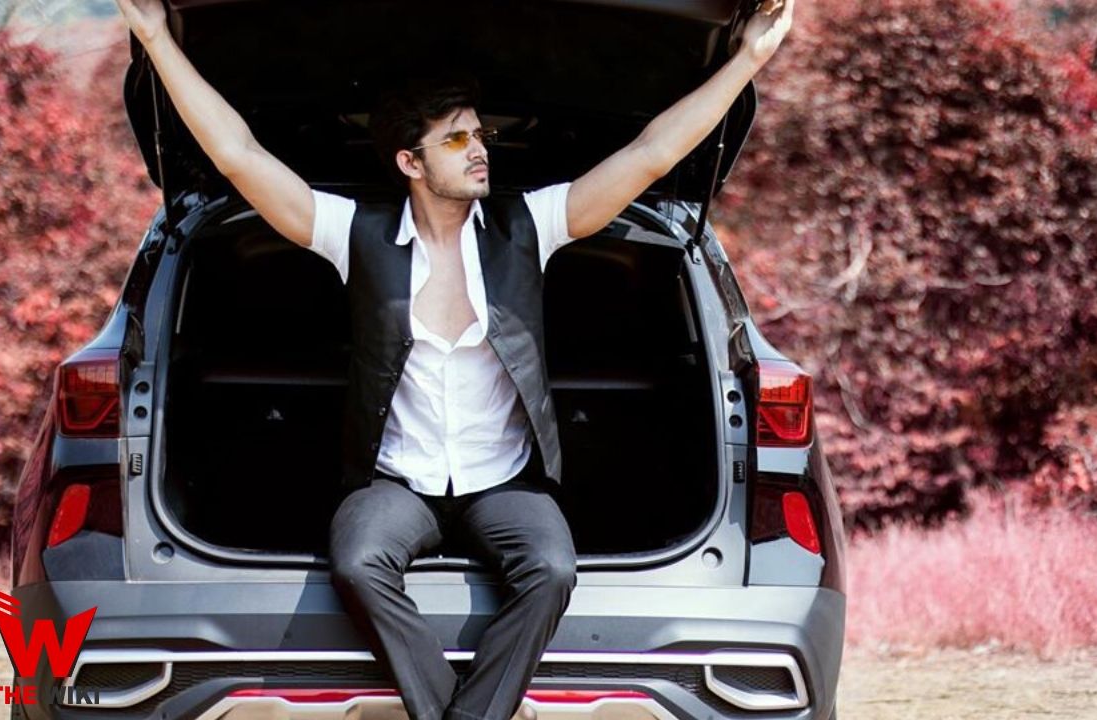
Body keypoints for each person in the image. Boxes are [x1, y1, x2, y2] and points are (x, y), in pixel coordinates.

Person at [113, 1, 796, 718]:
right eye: (457, 138)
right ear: (410, 162)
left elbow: (651, 154)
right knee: (358, 563)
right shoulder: (355, 234)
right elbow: (239, 156)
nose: (480, 150)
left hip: (503, 482)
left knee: (552, 570)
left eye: (480, 135)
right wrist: (156, 37)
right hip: (397, 482)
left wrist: (749, 58)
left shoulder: (529, 225)